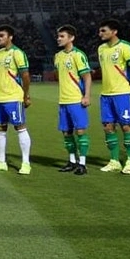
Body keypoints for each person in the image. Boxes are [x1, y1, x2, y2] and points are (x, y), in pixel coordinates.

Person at [97, 19, 130, 174]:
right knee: (108, 127)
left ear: (114, 31)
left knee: (126, 126)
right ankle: (114, 160)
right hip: (105, 95)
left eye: (103, 30)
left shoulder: (125, 47)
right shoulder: (101, 49)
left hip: (122, 94)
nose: (100, 33)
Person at [0, 24, 33, 174]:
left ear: (10, 37)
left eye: (1, 35)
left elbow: (25, 76)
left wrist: (25, 95)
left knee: (20, 128)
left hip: (14, 97)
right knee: (0, 130)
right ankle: (1, 162)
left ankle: (26, 163)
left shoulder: (17, 53)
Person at [53, 25, 92, 176]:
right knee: (66, 133)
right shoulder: (58, 56)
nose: (59, 39)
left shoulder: (78, 55)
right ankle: (71, 161)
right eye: (58, 36)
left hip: (76, 99)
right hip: (63, 100)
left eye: (62, 36)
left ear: (71, 38)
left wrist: (87, 96)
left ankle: (82, 163)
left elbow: (87, 76)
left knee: (80, 131)